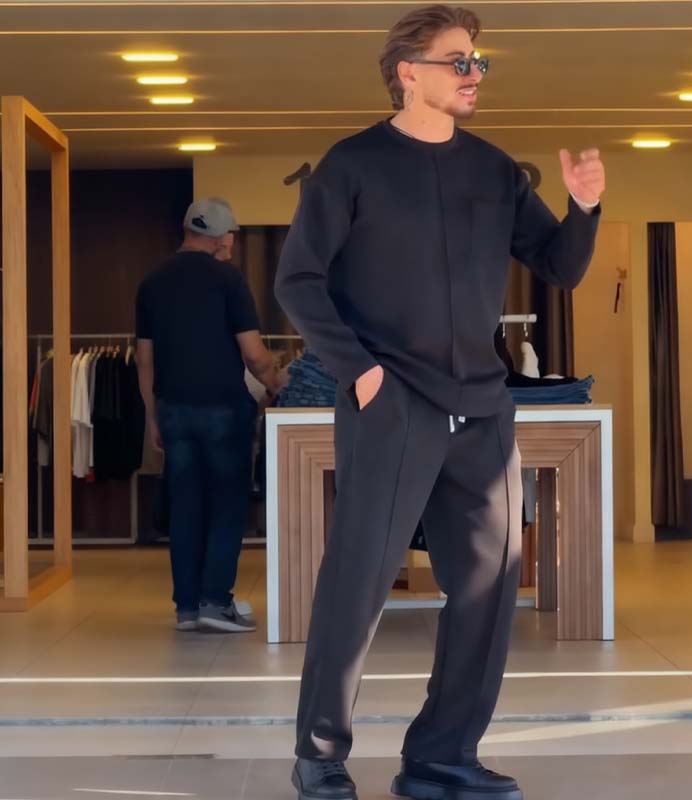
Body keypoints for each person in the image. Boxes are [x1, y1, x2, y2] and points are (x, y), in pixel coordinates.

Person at [275, 6, 605, 799]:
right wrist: (360, 372)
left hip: (482, 410)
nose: (473, 74)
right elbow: (298, 281)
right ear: (407, 72)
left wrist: (583, 209)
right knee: (359, 580)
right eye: (458, 61)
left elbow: (559, 267)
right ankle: (319, 754)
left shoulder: (495, 170)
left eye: (478, 62)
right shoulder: (352, 165)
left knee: (489, 588)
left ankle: (442, 757)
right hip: (392, 403)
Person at [136, 197, 282, 633]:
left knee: (185, 505)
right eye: (231, 235)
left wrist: (153, 416)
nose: (232, 243)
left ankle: (187, 607)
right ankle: (215, 601)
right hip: (223, 410)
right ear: (221, 237)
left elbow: (145, 359)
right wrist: (279, 383)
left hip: (174, 410)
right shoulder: (228, 280)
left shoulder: (152, 282)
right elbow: (254, 355)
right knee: (227, 504)